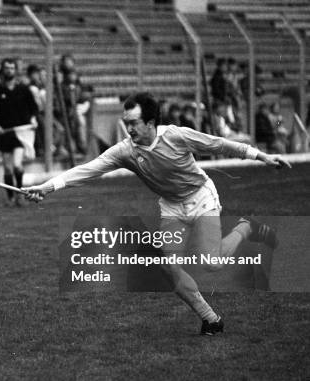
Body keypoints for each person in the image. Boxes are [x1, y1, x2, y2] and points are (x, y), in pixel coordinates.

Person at [23, 92, 291, 335]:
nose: (128, 129)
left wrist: (261, 156)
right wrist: (48, 187)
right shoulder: (126, 150)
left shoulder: (176, 136)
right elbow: (89, 168)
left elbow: (218, 144)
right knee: (168, 265)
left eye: (134, 123)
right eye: (126, 122)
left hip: (201, 198)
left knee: (212, 263)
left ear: (150, 123)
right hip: (171, 206)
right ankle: (211, 319)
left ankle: (246, 226)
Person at [0, 58, 38, 206]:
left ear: (15, 70)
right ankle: (10, 198)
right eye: (7, 68)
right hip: (5, 134)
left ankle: (20, 194)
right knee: (7, 169)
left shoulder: (23, 89)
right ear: (2, 70)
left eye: (12, 68)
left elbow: (34, 108)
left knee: (16, 165)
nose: (9, 70)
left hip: (21, 134)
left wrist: (33, 119)